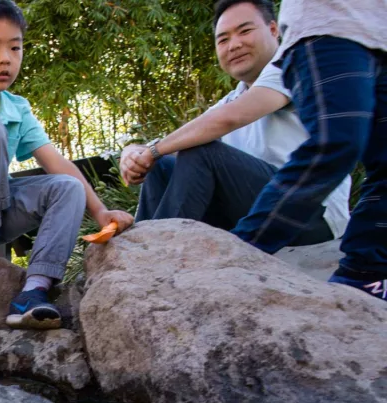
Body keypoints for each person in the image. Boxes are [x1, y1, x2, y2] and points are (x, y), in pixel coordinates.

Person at [0, 0, 133, 330]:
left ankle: (33, 292)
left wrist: (101, 212)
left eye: (14, 48)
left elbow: (56, 162)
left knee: (68, 187)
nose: (5, 58)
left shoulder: (17, 108)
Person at [119, 0, 350, 247]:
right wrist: (135, 151)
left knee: (203, 151)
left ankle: (155, 253)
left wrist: (151, 150)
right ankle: (140, 249)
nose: (235, 45)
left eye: (245, 31)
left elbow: (227, 120)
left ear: (273, 30)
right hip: (258, 209)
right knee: (162, 165)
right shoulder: (233, 99)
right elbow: (190, 135)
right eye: (223, 39)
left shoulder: (294, 67)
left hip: (310, 212)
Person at [232, 0, 386, 301]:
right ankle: (240, 250)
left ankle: (364, 274)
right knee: (336, 142)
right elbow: (229, 118)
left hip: (382, 34)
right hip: (330, 24)